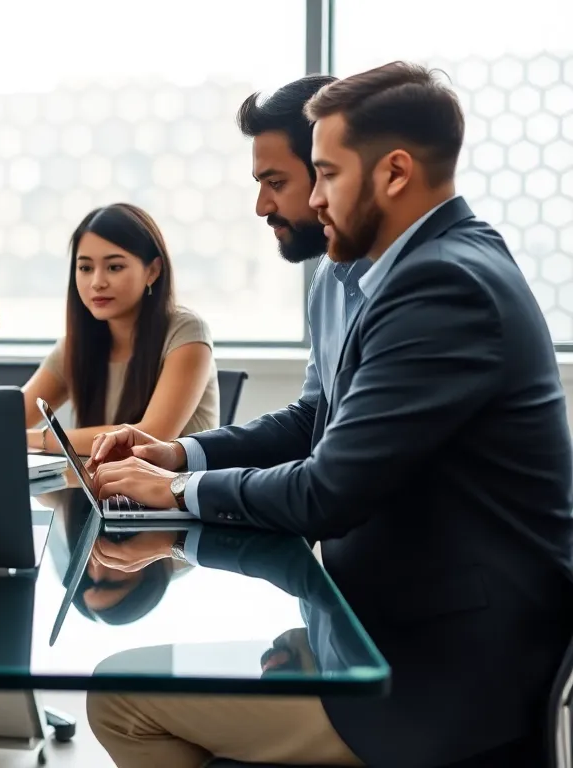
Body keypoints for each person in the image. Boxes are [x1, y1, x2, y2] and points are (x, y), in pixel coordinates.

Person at [84, 62, 573, 767]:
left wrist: (176, 493)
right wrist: (182, 456)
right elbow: (319, 419)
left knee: (121, 697)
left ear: (395, 174)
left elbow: (326, 491)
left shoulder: (444, 286)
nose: (312, 198)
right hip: (386, 626)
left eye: (326, 173)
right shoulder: (410, 268)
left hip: (442, 675)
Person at [0, 203, 219, 456]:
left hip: (176, 500)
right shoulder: (78, 345)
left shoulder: (186, 332)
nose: (97, 282)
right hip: (98, 498)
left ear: (153, 271)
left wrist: (25, 437)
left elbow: (153, 435)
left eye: (114, 267)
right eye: (85, 268)